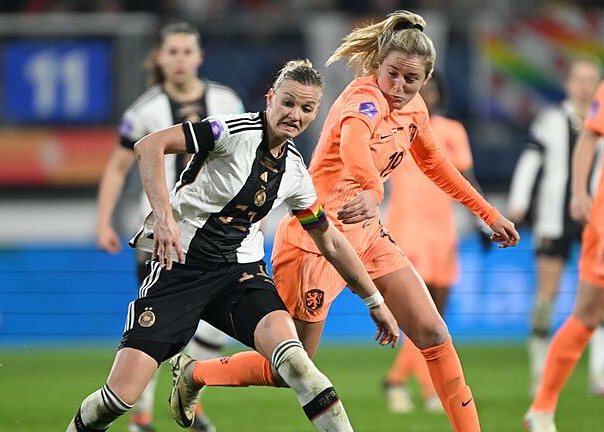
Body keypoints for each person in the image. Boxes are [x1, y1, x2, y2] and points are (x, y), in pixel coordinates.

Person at [176, 11, 519, 432]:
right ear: (379, 65)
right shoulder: (363, 100)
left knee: (433, 333)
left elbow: (437, 165)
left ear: (425, 80)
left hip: (368, 236)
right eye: (391, 74)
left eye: (410, 80)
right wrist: (373, 190)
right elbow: (355, 144)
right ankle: (196, 373)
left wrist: (488, 213)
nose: (398, 87)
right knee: (291, 368)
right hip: (315, 241)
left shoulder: (414, 111)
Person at [66, 59, 401, 432]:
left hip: (239, 273)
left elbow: (331, 241)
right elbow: (150, 145)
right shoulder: (230, 131)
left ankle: (193, 376)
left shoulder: (294, 171)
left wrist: (375, 301)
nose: (295, 114)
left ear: (316, 112)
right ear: (270, 98)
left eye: (306, 108)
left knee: (298, 364)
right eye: (288, 102)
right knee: (117, 400)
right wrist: (162, 216)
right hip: (181, 267)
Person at [95, 21, 244, 432]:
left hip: (219, 234)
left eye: (186, 51)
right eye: (172, 51)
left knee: (217, 330)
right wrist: (103, 220)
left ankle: (188, 398)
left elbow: (247, 159)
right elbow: (117, 169)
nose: (179, 59)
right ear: (160, 58)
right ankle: (141, 419)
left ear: (199, 57)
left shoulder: (226, 100)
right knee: (155, 329)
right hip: (162, 235)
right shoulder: (144, 111)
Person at [524, 29, 604, 432]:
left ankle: (600, 374)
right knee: (588, 313)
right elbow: (590, 136)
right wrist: (578, 192)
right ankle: (542, 407)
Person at [508, 57, 604, 398]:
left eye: (591, 80)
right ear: (569, 84)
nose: (585, 86)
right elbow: (530, 159)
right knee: (546, 296)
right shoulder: (550, 119)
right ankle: (539, 373)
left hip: (599, 218)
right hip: (554, 217)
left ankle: (599, 373)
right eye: (579, 80)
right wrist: (519, 199)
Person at [381, 72, 485, 414]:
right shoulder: (394, 126)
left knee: (437, 315)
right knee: (423, 314)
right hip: (407, 227)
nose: (427, 94)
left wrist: (482, 220)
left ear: (441, 93)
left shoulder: (452, 132)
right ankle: (424, 390)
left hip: (442, 229)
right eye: (421, 88)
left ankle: (398, 380)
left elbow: (466, 179)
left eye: (432, 88)